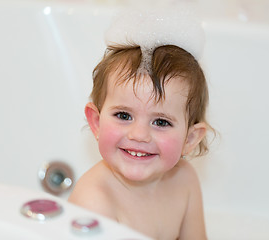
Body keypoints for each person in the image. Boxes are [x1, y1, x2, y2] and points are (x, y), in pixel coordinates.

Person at [69, 9, 211, 240]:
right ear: (96, 122)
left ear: (190, 139)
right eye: (124, 116)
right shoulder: (95, 200)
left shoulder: (185, 180)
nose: (139, 135)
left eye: (161, 121)